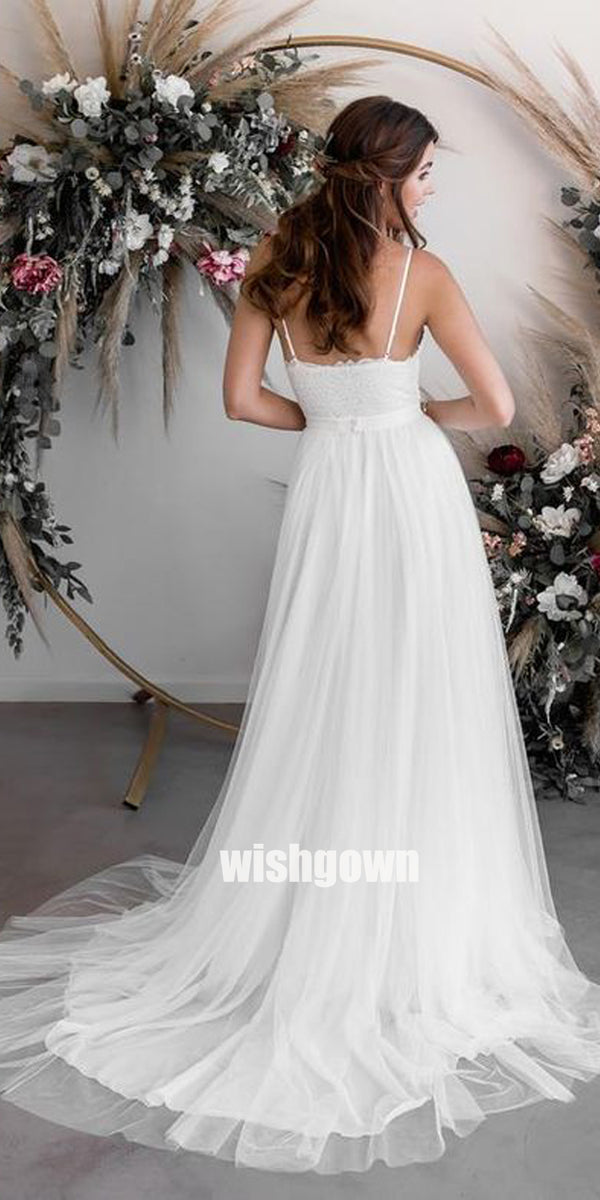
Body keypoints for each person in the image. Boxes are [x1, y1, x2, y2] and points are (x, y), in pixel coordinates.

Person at [1, 94, 600, 1176]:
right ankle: (415, 913)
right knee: (416, 690)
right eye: (425, 171)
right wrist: (405, 417)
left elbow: (242, 402)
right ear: (387, 176)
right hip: (408, 492)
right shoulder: (424, 275)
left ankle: (318, 903)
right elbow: (495, 405)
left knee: (330, 684)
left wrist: (334, 418)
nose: (432, 187)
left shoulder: (278, 261)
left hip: (330, 487)